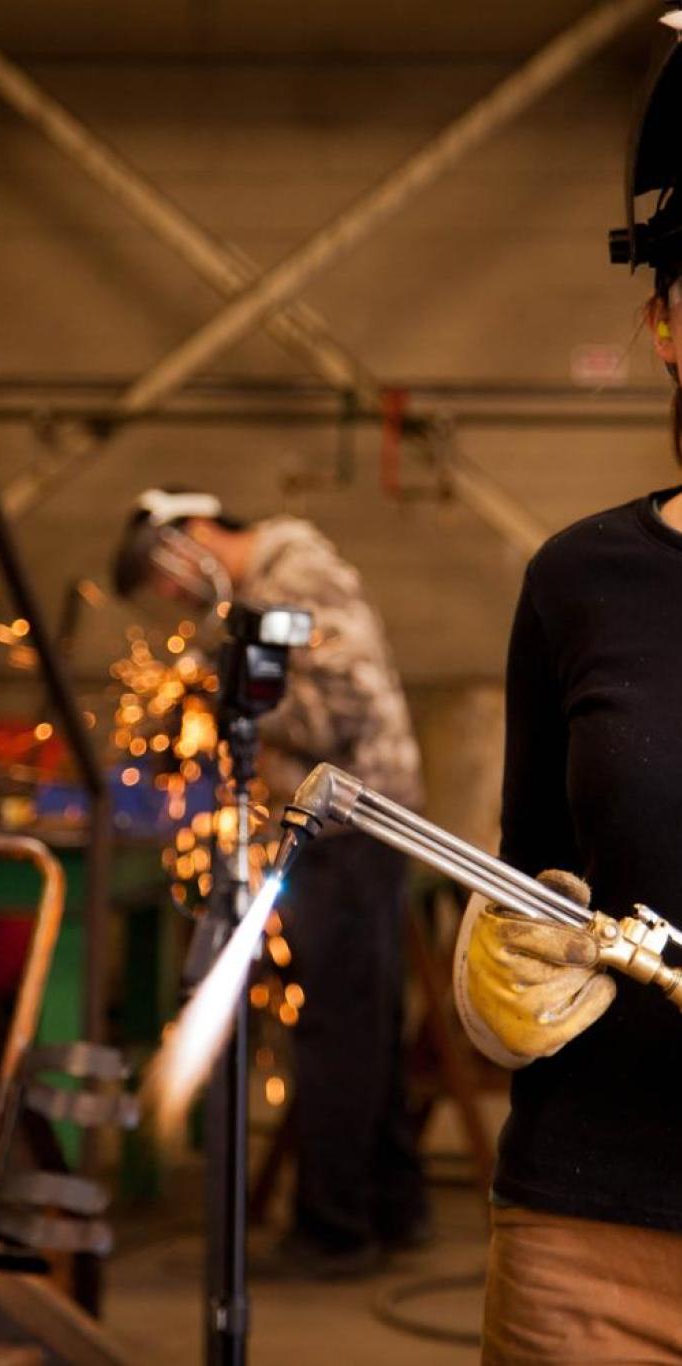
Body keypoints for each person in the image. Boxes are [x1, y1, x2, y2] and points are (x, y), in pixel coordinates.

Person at [453, 34, 682, 1363]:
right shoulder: (578, 580)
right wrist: (498, 982)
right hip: (591, 1243)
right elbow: (527, 871)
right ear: (663, 323)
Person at [113, 487, 430, 1276]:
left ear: (191, 537)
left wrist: (219, 693)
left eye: (165, 576)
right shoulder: (269, 589)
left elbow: (336, 717)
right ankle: (395, 1208)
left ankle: (334, 1232)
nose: (171, 596)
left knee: (337, 1029)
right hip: (344, 825)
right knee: (364, 1022)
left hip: (351, 826)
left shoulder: (298, 578)